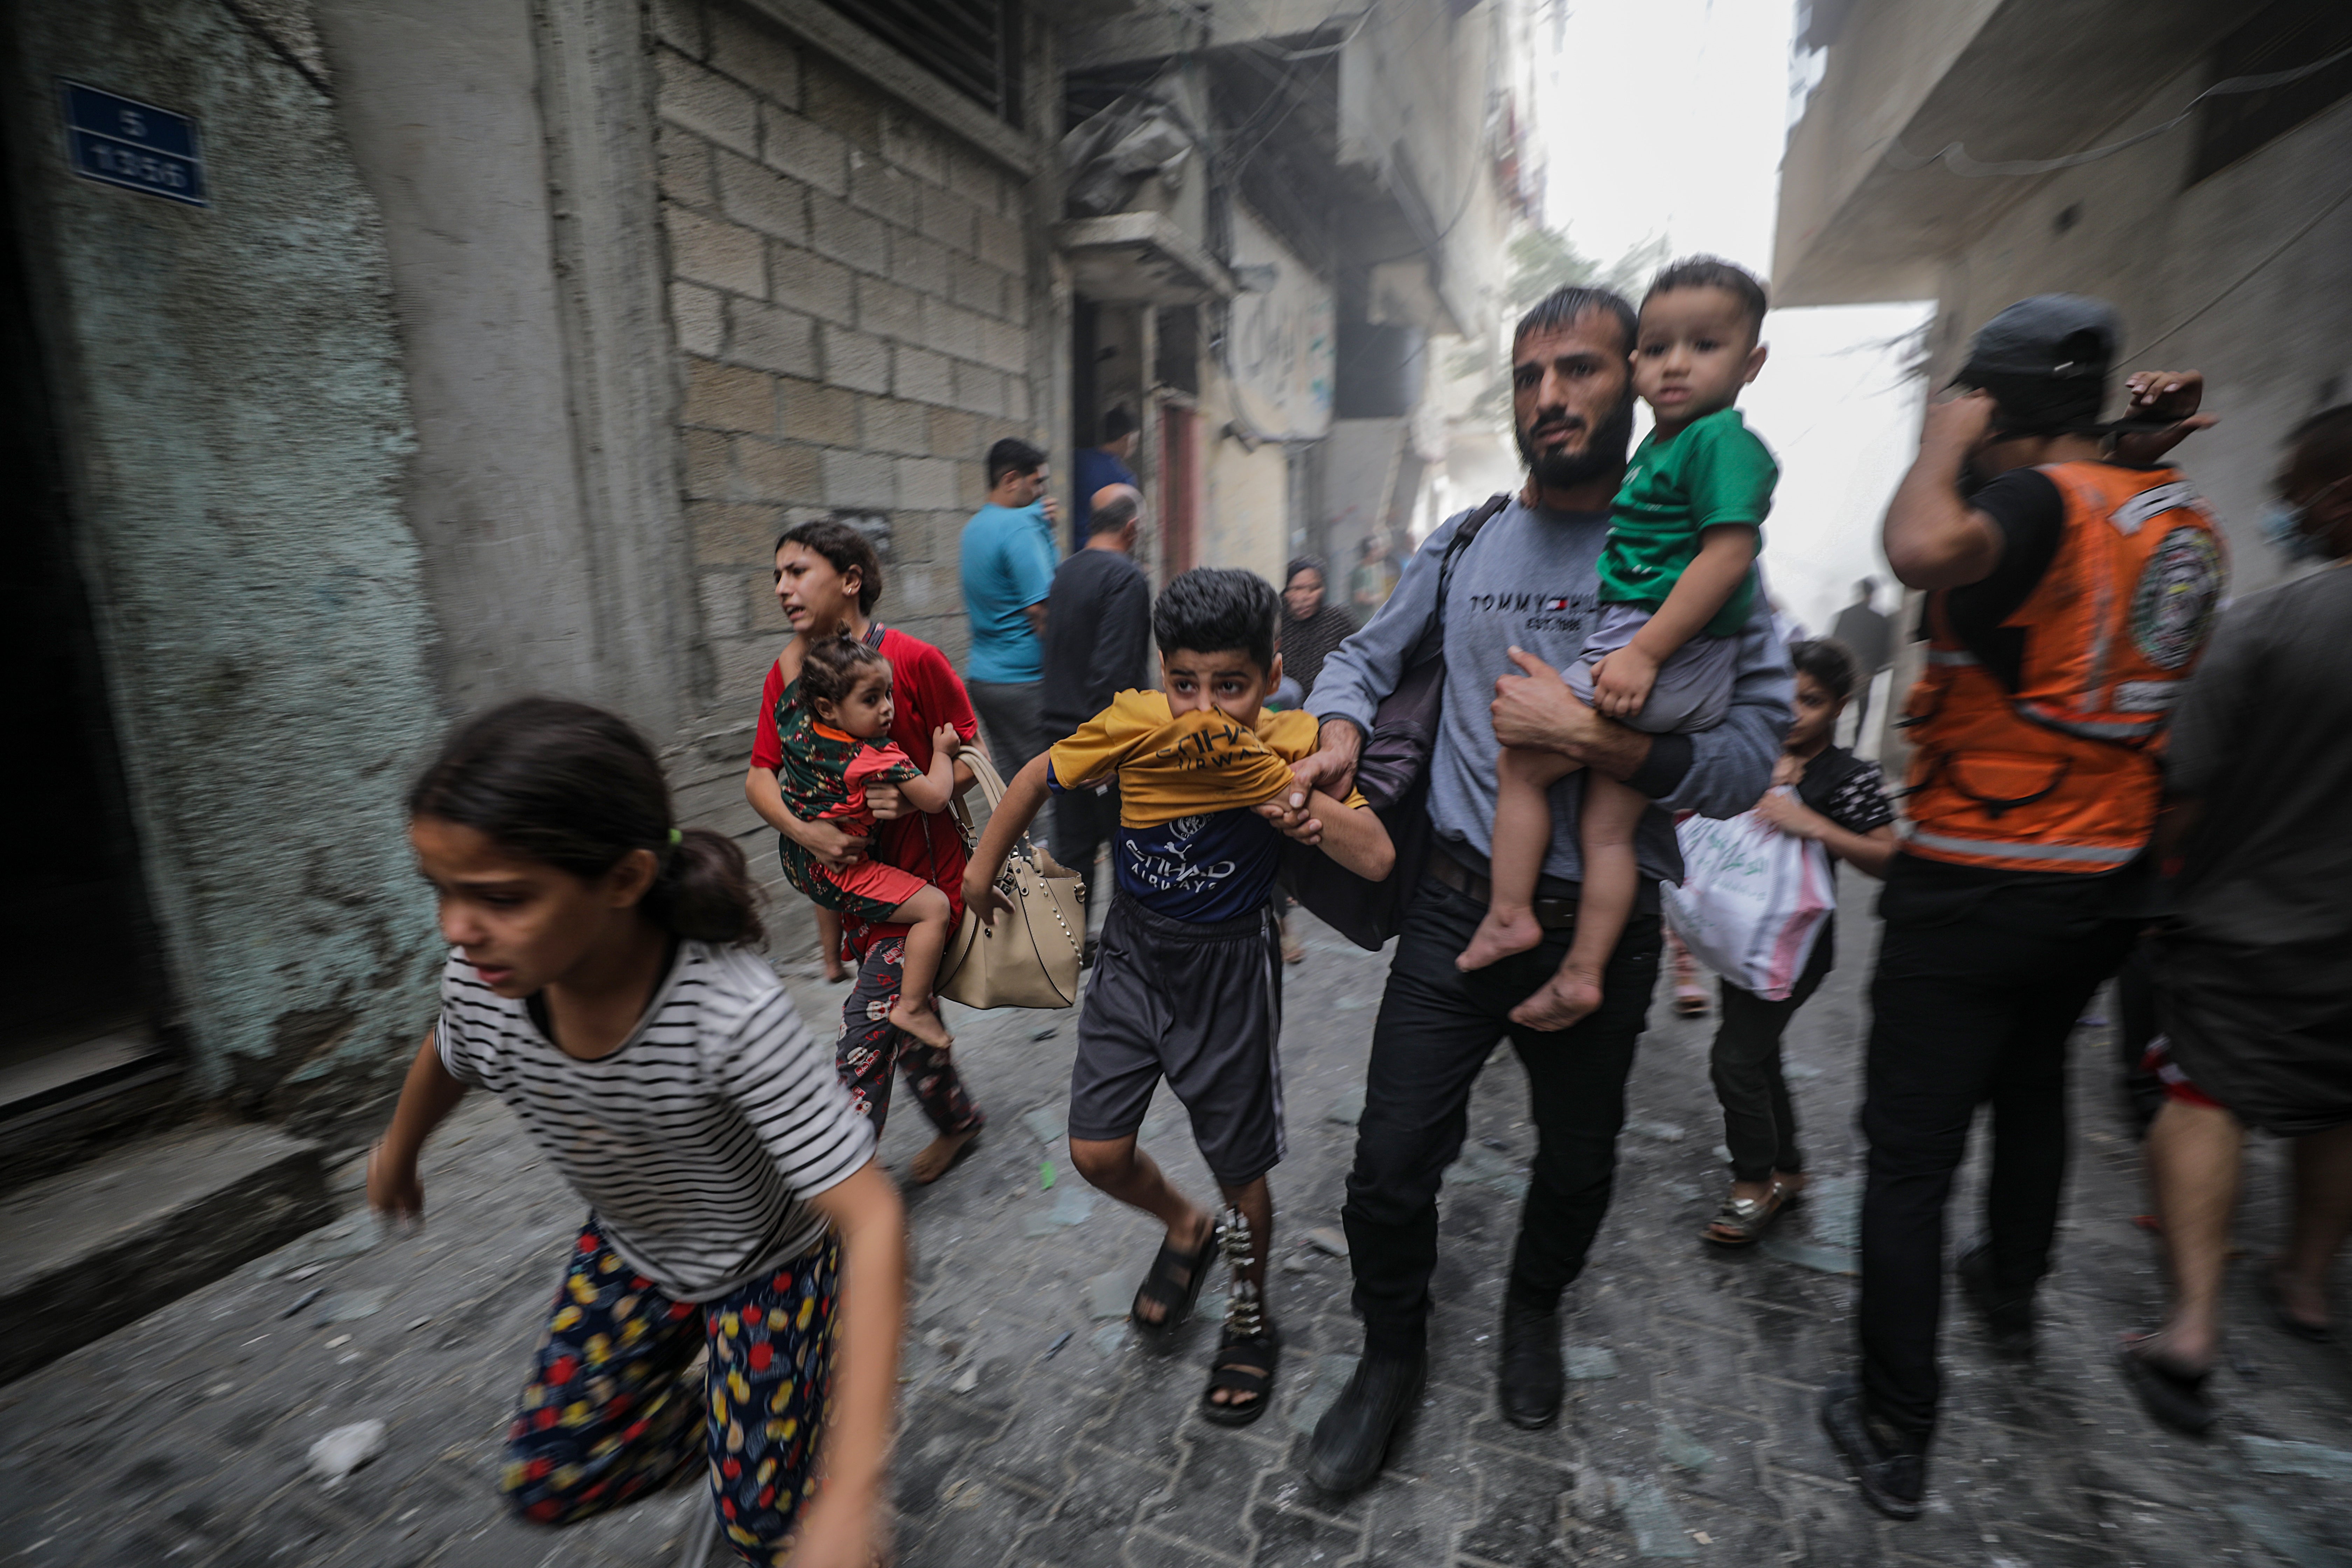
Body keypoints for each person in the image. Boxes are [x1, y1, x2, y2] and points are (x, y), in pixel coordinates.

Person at [1284, 284, 1791, 1492]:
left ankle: (1531, 1309)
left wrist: (1602, 738)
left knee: (1577, 1162)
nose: (1551, 396)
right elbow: (1359, 654)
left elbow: (1747, 761)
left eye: (1580, 369)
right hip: (1454, 906)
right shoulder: (1464, 544)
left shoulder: (1706, 568)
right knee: (1389, 1166)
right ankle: (1390, 1355)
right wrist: (1340, 725)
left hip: (1601, 938)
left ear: (1638, 384)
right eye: (1529, 375)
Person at [1819, 293, 2224, 1522]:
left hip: (1982, 875)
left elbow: (1925, 552)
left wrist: (1946, 441)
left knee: (1910, 1159)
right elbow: (2090, 589)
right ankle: (2007, 1289)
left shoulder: (2030, 499)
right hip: (2105, 879)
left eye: (1977, 402)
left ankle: (1896, 1420)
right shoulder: (2172, 514)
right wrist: (2126, 446)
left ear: (1998, 403)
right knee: (2037, 1084)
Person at [368, 698, 903, 1568]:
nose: (457, 930)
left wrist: (852, 1495)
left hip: (771, 1268)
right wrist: (402, 1148)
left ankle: (782, 1465)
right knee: (551, 1474)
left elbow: (873, 1219)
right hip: (632, 1247)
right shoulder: (484, 981)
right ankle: (754, 1447)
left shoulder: (730, 1015)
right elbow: (449, 1053)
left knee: (769, 1526)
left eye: (501, 898)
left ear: (623, 880)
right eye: (444, 891)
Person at [962, 568, 1395, 1428]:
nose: (1203, 709)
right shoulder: (1136, 723)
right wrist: (981, 873)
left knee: (1242, 1173)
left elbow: (1376, 856)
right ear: (1163, 675)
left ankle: (1248, 1310)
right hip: (1132, 957)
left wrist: (1293, 800)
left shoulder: (1293, 739)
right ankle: (1183, 1227)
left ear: (1270, 677)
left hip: (1231, 974)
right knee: (1094, 1152)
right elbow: (1034, 779)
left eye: (1229, 687)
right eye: (1184, 684)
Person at [1458, 256, 1775, 1032]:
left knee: (1525, 760)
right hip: (1657, 654)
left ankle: (1509, 913)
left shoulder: (1716, 443)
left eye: (1704, 346)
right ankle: (1581, 973)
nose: (1677, 365)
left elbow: (1726, 559)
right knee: (1609, 827)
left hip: (1659, 649)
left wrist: (1633, 665)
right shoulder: (1655, 459)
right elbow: (1366, 660)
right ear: (1640, 368)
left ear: (1751, 362)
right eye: (1661, 348)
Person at [2119, 404, 2352, 1435]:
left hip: (2249, 925)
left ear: (2334, 501)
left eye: (2290, 493)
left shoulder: (2265, 627)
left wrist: (2156, 896)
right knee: (2337, 1106)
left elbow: (2183, 785)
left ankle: (2189, 1326)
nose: (2282, 513)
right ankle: (2303, 1280)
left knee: (2201, 1097)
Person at [747, 520, 987, 1184]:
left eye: (797, 572)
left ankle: (840, 1197)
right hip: (852, 885)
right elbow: (759, 775)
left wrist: (914, 798)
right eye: (777, 576)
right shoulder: (789, 673)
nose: (782, 588)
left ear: (850, 581)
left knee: (863, 1040)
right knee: (901, 1023)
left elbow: (973, 756)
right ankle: (961, 1123)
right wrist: (807, 833)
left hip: (920, 888)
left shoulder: (911, 661)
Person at [1696, 639, 1896, 1246]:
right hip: (1736, 936)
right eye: (1786, 696)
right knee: (1758, 1056)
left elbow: (1890, 857)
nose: (1794, 711)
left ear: (1839, 707)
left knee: (1733, 1060)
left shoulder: (1849, 777)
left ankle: (1753, 1183)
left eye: (1811, 700)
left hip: (1794, 949)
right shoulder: (1752, 753)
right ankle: (1789, 1166)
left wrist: (1811, 821)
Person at [774, 635, 967, 1051]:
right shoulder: (878, 755)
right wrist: (942, 752)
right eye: (871, 699)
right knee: (935, 908)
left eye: (889, 694)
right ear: (828, 706)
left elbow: (792, 658)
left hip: (795, 855)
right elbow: (934, 798)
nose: (887, 709)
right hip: (840, 869)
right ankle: (913, 1006)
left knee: (833, 891)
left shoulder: (797, 720)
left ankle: (833, 960)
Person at [1041, 484, 1153, 933]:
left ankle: (1068, 952)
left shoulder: (1065, 572)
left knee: (1074, 848)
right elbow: (1114, 672)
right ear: (1133, 527)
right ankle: (1132, 949)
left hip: (1060, 730)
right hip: (1103, 739)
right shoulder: (1126, 578)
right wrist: (1109, 750)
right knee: (1129, 844)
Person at [960, 438, 1060, 780]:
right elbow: (1042, 609)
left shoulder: (973, 528)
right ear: (1011, 480)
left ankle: (1023, 839)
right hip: (1025, 680)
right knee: (1047, 784)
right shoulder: (1020, 528)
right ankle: (1043, 839)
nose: (1044, 493)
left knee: (1013, 783)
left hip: (986, 679)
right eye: (1038, 482)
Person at [1278, 556, 1357, 699]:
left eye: (1314, 588)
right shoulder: (1274, 625)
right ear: (1287, 592)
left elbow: (1357, 663)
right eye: (1298, 589)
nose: (1305, 597)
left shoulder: (1337, 622)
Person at [1828, 578, 1893, 746]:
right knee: (1862, 710)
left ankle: (1830, 744)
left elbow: (1833, 641)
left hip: (1844, 669)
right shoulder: (1880, 620)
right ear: (1873, 595)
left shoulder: (1846, 615)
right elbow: (1884, 648)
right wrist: (1876, 668)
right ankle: (1855, 746)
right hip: (1866, 671)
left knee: (1835, 707)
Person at [1070, 407, 1140, 551]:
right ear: (1127, 438)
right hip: (1099, 553)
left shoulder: (1075, 458)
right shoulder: (1123, 479)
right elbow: (1123, 532)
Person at [1347, 533, 1398, 627]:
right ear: (1370, 552)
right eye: (1378, 549)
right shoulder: (1362, 572)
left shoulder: (1372, 570)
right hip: (1363, 626)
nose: (1381, 551)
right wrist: (1382, 597)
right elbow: (1360, 599)